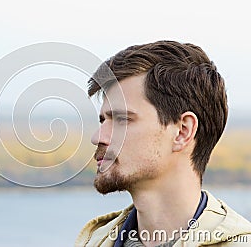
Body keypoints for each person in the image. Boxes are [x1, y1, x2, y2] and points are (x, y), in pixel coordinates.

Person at [75, 41, 251, 247]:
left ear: (182, 131)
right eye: (103, 120)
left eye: (123, 119)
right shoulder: (93, 242)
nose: (98, 137)